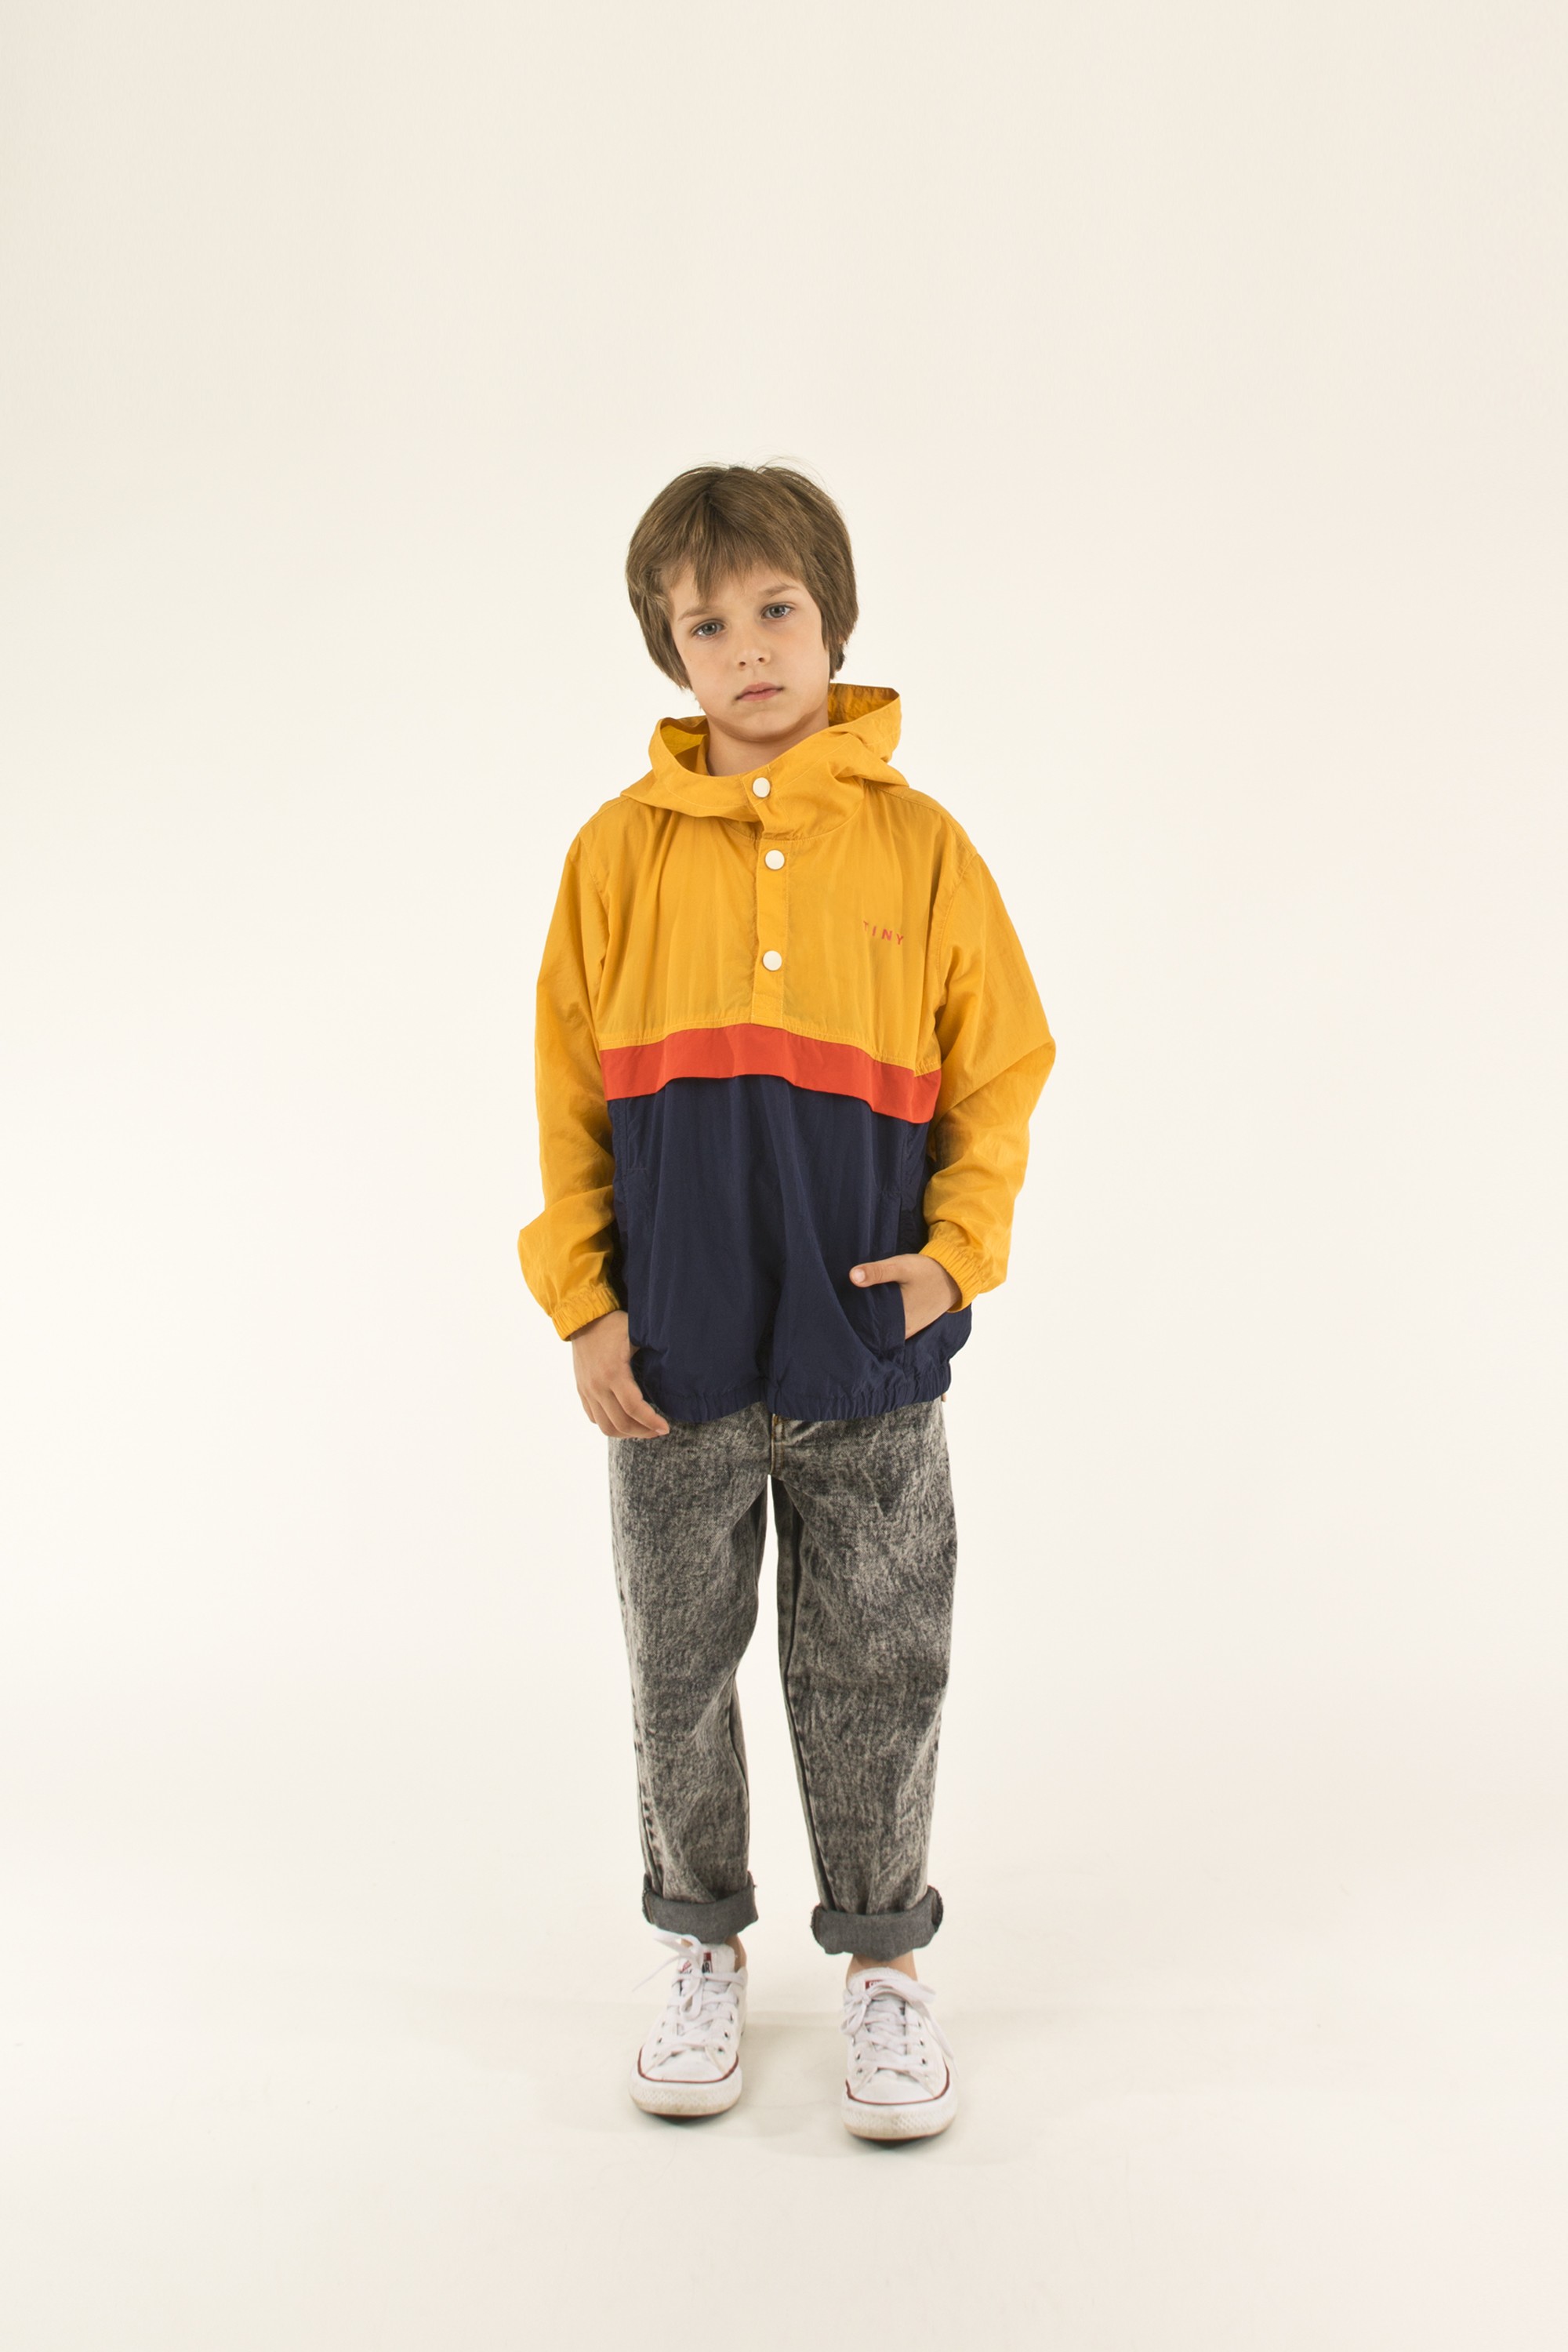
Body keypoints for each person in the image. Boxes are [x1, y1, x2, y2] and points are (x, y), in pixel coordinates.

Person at [518, 463, 1054, 2140]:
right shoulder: (614, 857)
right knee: (679, 1660)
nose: (749, 649)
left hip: (867, 1346)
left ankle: (884, 1963)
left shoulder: (922, 846)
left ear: (833, 622)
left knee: (879, 1659)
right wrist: (585, 1306)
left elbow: (1003, 1072)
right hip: (670, 1352)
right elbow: (568, 1102)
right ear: (669, 653)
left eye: (777, 610)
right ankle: (701, 1943)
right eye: (709, 625)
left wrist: (957, 1255)